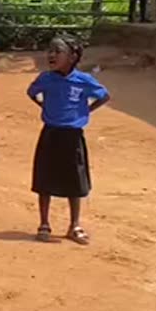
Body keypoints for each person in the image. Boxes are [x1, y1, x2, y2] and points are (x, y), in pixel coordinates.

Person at [28, 35, 109, 245]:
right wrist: (45, 107)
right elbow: (32, 92)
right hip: (50, 133)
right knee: (44, 179)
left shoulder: (83, 81)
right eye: (50, 51)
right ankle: (44, 223)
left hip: (72, 136)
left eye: (57, 51)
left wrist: (85, 111)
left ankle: (74, 225)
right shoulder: (46, 78)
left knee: (75, 182)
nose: (51, 55)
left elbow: (104, 96)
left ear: (72, 57)